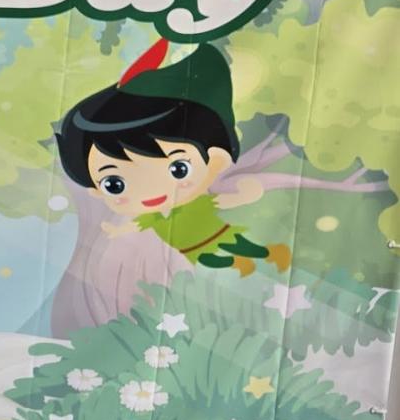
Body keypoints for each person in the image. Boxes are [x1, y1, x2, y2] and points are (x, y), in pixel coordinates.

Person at [55, 39, 287, 275]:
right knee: (210, 259)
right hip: (191, 248)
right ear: (96, 190)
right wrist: (116, 231)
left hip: (216, 233)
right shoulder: (154, 218)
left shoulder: (199, 202)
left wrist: (243, 196)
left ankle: (271, 253)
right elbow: (135, 225)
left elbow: (224, 201)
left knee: (240, 244)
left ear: (216, 160)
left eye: (179, 168)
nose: (150, 189)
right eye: (114, 184)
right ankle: (240, 264)